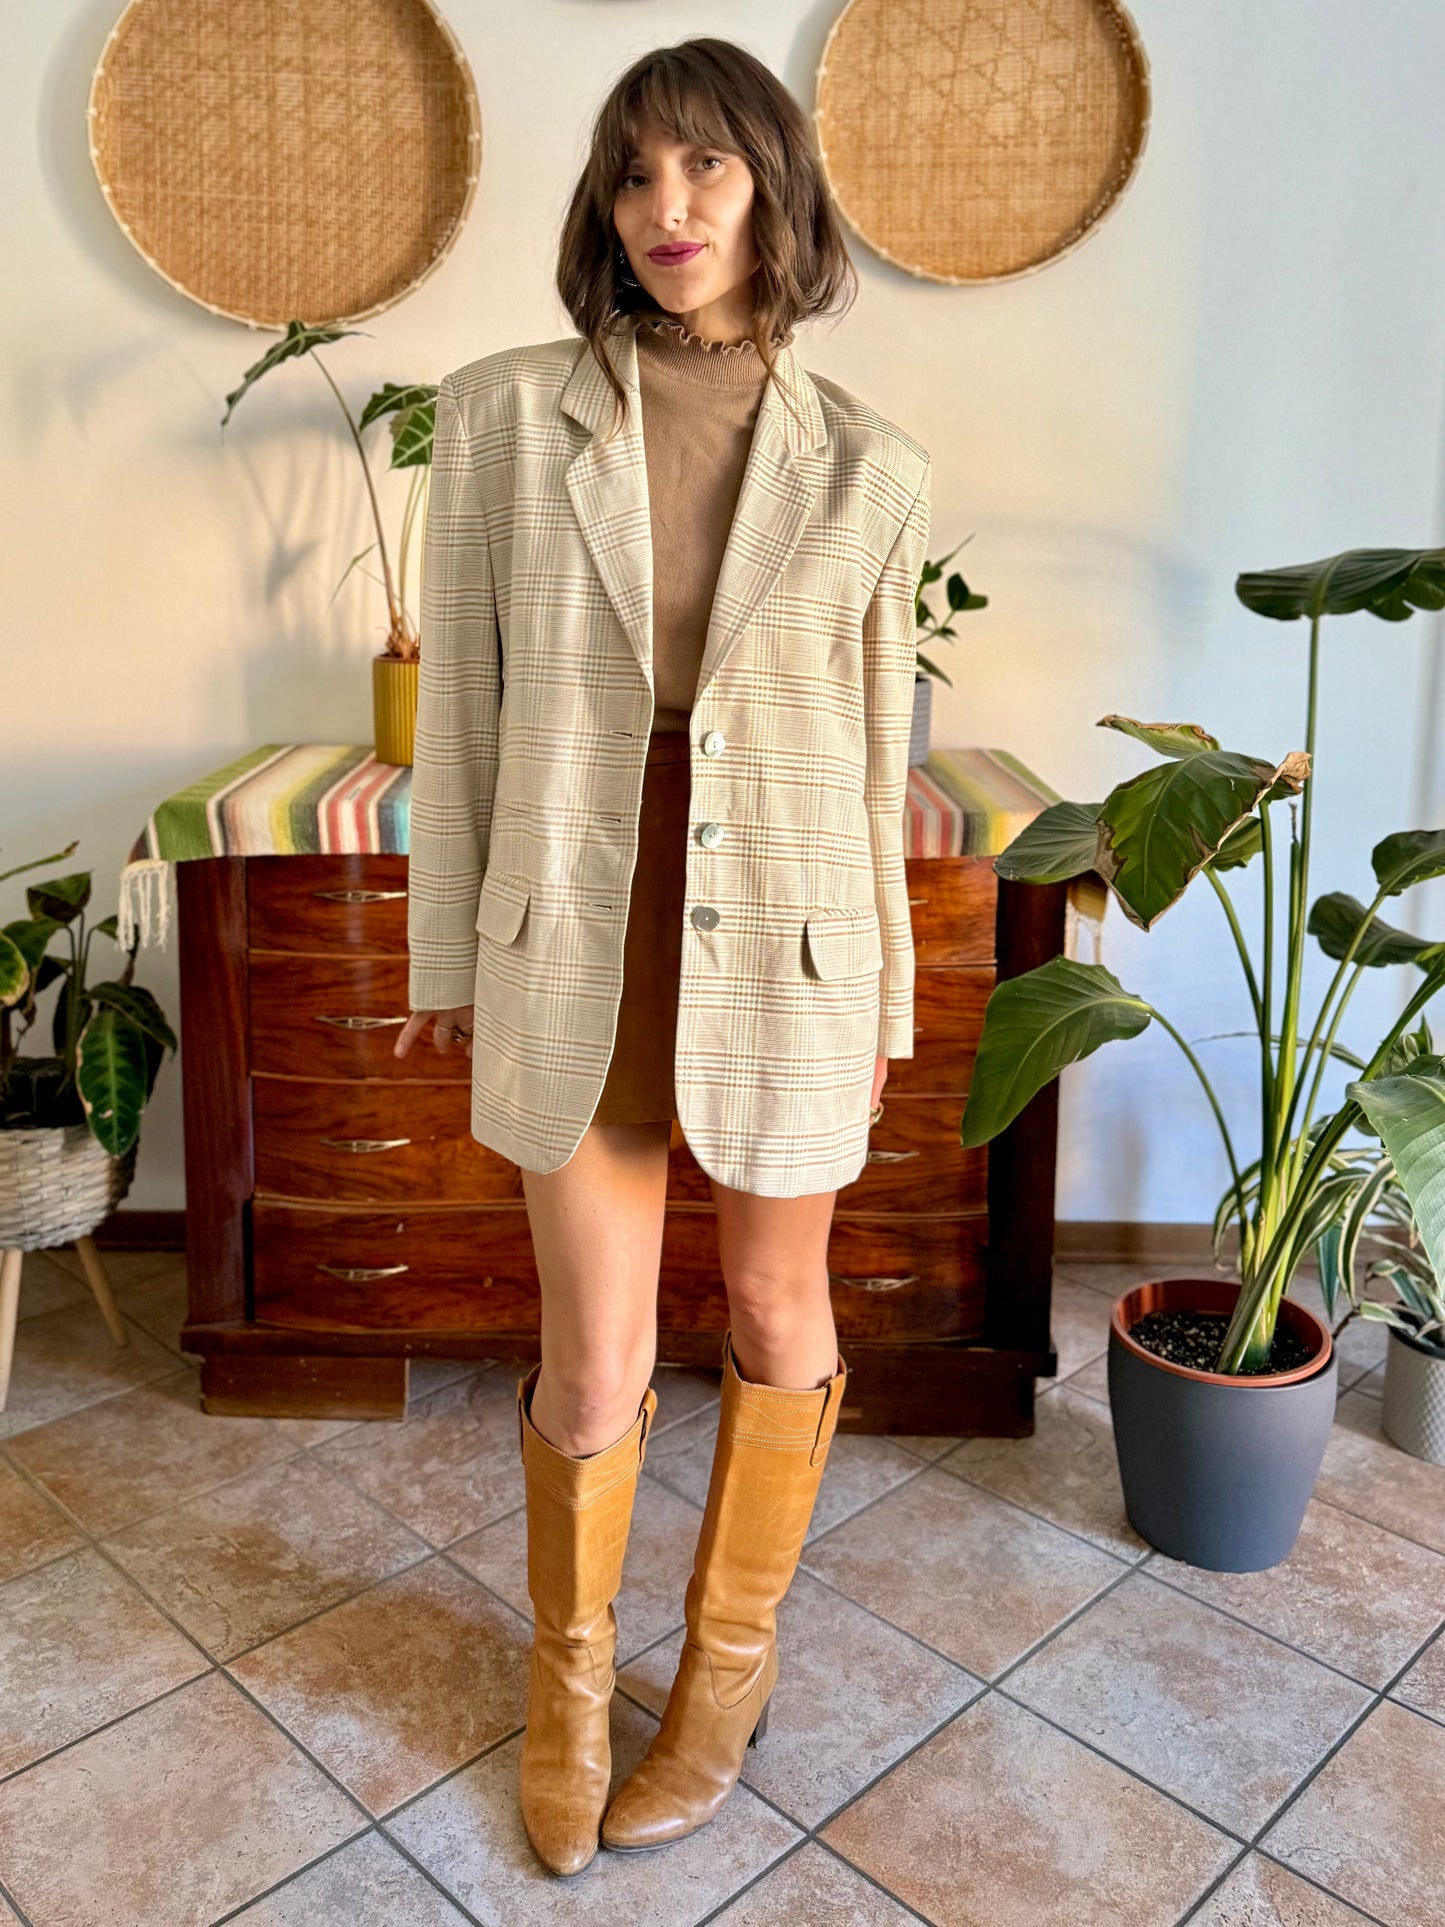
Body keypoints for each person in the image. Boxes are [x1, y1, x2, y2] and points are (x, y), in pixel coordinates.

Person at [396, 36, 931, 1875]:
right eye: (633, 172)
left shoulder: (869, 466)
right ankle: (565, 1684)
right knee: (593, 1355)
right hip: (577, 920)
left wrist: (886, 986)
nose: (665, 206)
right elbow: (460, 715)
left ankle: (722, 1674)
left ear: (773, 189)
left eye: (704, 165)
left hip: (788, 933)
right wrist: (445, 956)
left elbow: (874, 755)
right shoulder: (499, 417)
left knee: (777, 1315)